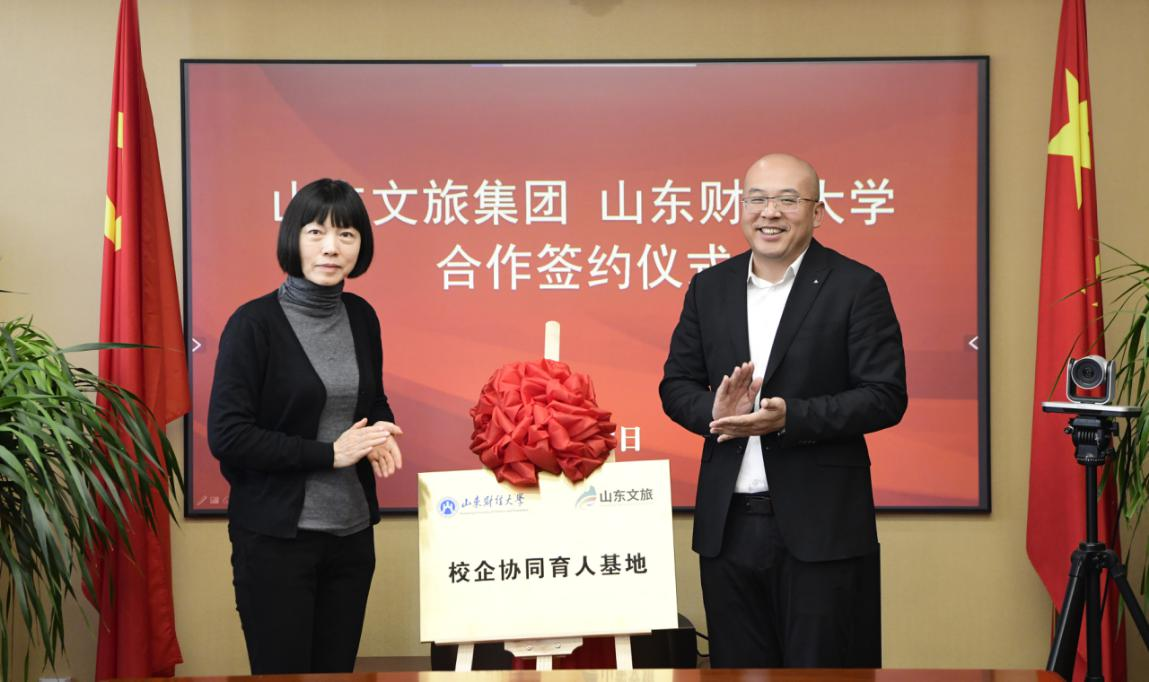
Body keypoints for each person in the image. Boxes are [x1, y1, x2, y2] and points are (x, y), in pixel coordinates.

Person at [659, 153, 907, 668]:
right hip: (728, 529)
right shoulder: (710, 287)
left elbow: (885, 395)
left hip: (822, 529)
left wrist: (792, 417)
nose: (769, 212)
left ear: (816, 212)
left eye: (788, 200)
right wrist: (713, 409)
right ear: (740, 207)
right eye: (757, 199)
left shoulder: (856, 286)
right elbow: (675, 385)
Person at [208, 178, 403, 675]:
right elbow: (228, 436)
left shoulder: (361, 316)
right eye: (316, 232)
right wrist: (329, 454)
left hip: (351, 536)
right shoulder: (253, 324)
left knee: (336, 672)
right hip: (277, 540)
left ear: (361, 246)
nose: (331, 248)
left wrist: (381, 428)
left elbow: (371, 398)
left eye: (346, 235)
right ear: (293, 239)